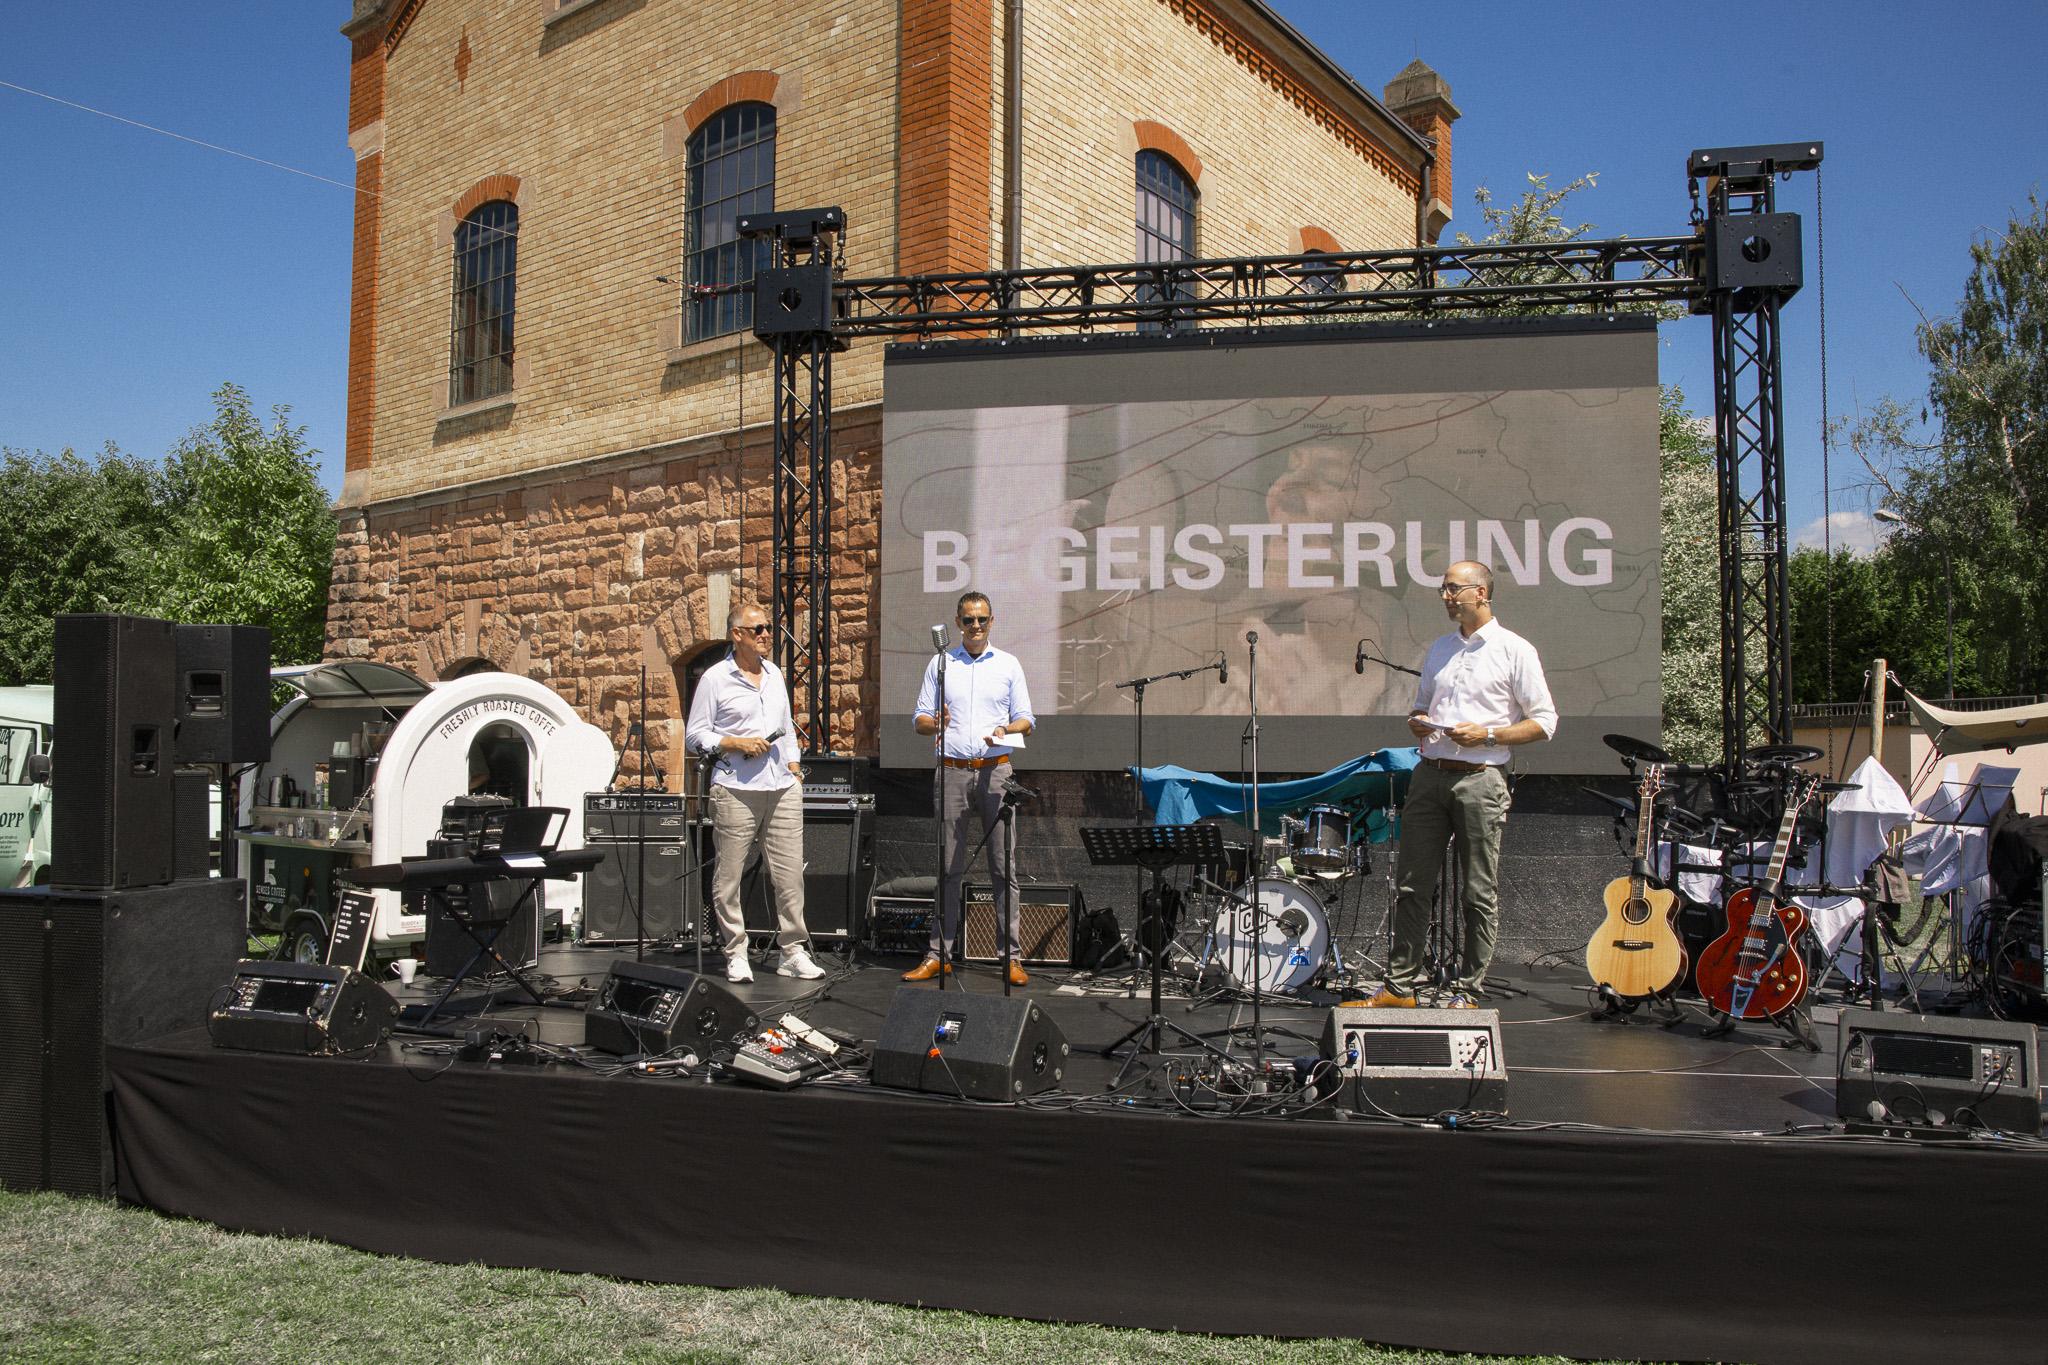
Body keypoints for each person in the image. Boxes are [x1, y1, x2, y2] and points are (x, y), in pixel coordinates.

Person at [1366, 561, 1556, 1008]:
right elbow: (1421, 707)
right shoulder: (1440, 648)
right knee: (1412, 885)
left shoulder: (1514, 649)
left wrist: (1488, 735)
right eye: (1444, 590)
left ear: (1481, 593)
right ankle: (1400, 988)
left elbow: (1545, 722)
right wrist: (1418, 721)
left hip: (1480, 779)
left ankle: (1468, 990)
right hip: (1429, 773)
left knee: (1478, 890)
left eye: (1454, 589)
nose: (1446, 597)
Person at [683, 602, 827, 984]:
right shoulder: (715, 679)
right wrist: (734, 742)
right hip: (735, 789)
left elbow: (787, 727)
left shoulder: (775, 674)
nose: (766, 634)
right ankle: (735, 951)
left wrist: (795, 770)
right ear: (737, 635)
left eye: (768, 627)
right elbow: (695, 735)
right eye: (758, 629)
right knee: (729, 876)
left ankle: (792, 952)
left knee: (790, 876)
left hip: (781, 786)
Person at [906, 591, 1036, 986]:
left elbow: (1027, 720)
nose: (975, 626)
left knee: (1003, 866)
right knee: (948, 866)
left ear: (991, 621)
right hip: (952, 770)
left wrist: (1006, 729)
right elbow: (919, 719)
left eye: (981, 619)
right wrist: (936, 723)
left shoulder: (1008, 664)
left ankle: (1010, 957)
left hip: (996, 770)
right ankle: (939, 954)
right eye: (968, 620)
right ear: (958, 623)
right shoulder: (941, 663)